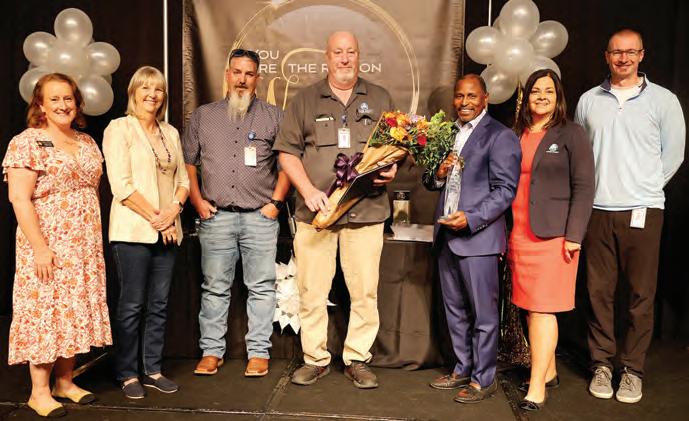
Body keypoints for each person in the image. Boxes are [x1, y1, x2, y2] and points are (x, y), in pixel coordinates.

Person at [274, 31, 396, 389]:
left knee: (365, 292)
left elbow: (395, 147)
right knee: (311, 291)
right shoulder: (305, 100)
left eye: (350, 52)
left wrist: (392, 167)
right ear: (327, 58)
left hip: (366, 211)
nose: (344, 58)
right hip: (318, 215)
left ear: (359, 56)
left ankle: (357, 358)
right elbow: (286, 153)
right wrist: (308, 190)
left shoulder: (380, 97)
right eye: (338, 52)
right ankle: (315, 359)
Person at [575, 28, 685, 404]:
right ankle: (602, 365)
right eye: (616, 52)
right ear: (606, 56)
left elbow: (674, 153)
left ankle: (632, 370)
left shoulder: (664, 100)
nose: (623, 58)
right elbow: (582, 155)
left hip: (643, 211)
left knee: (641, 296)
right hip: (597, 211)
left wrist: (645, 187)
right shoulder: (588, 101)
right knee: (598, 293)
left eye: (630, 52)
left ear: (641, 55)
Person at [3, 73, 111, 417]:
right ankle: (38, 392)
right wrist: (40, 247)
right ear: (40, 104)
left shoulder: (87, 142)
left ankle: (65, 382)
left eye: (68, 98)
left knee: (73, 310)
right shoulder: (27, 142)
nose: (63, 105)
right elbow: (19, 198)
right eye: (54, 99)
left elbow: (92, 190)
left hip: (83, 245)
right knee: (46, 312)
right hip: (48, 243)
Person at [183, 48, 289, 378]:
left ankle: (258, 352)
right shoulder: (204, 116)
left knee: (262, 287)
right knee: (214, 287)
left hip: (260, 216)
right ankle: (211, 351)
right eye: (237, 72)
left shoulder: (274, 116)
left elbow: (288, 164)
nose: (242, 79)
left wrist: (275, 204)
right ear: (227, 75)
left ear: (258, 78)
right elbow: (188, 163)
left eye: (249, 74)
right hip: (216, 217)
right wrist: (197, 201)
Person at [423, 74, 521, 403]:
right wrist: (438, 174)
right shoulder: (448, 132)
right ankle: (462, 368)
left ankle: (484, 378)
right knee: (455, 311)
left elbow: (505, 190)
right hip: (445, 236)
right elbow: (430, 180)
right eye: (459, 96)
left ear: (485, 99)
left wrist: (472, 217)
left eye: (471, 96)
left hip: (478, 238)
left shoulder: (500, 136)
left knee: (484, 315)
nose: (464, 102)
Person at [508, 69, 595, 411]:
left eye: (548, 91)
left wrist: (574, 235)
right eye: (535, 91)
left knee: (543, 309)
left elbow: (584, 187)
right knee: (530, 309)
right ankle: (550, 372)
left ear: (558, 96)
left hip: (554, 237)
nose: (541, 96)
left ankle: (536, 388)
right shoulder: (517, 134)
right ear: (526, 97)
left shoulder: (571, 133)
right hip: (519, 233)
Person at [103, 66, 190, 399]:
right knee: (132, 305)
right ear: (133, 93)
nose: (152, 95)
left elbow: (183, 181)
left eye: (158, 89)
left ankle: (152, 369)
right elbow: (121, 186)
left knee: (159, 304)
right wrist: (159, 219)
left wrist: (174, 211)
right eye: (145, 88)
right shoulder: (119, 128)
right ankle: (127, 373)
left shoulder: (170, 132)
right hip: (133, 232)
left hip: (168, 231)